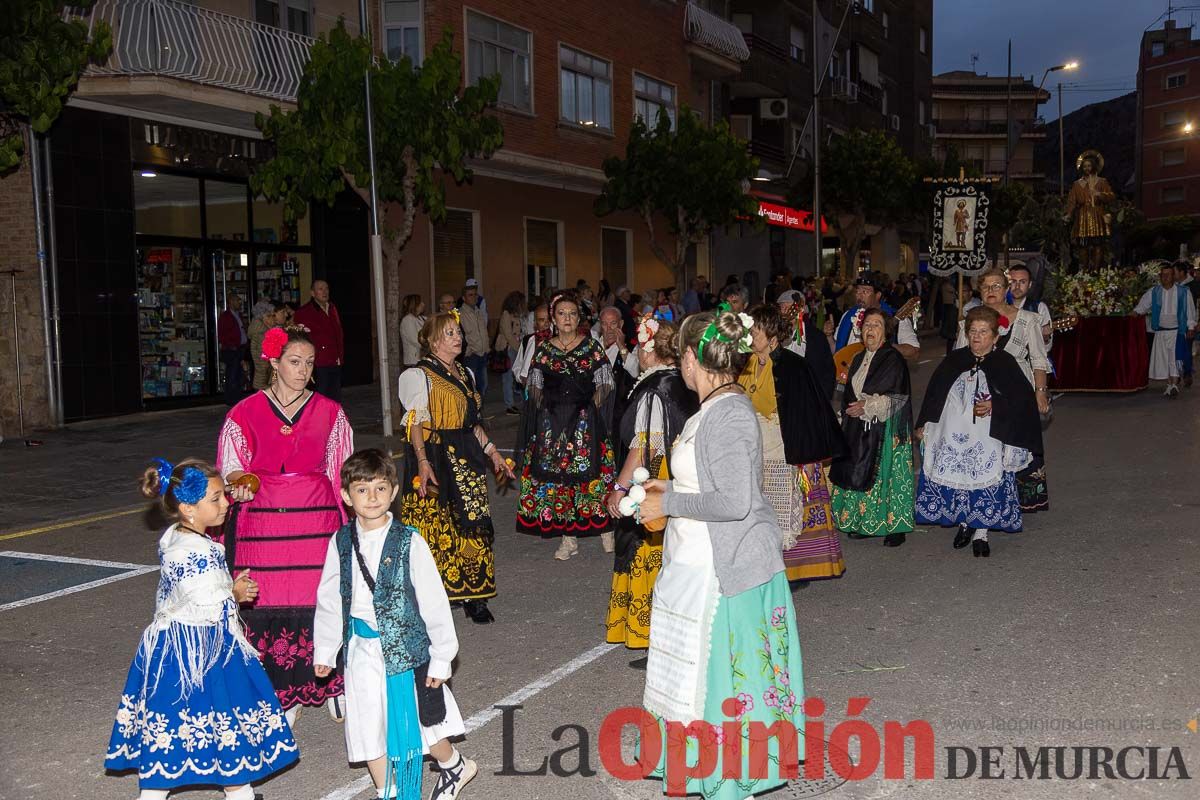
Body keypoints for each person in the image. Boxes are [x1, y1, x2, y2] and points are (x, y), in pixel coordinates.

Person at [635, 310, 805, 799]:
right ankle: (713, 774)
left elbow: (733, 502)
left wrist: (667, 501)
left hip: (726, 571)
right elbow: (708, 483)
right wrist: (666, 486)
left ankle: (732, 782)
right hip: (700, 562)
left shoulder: (728, 413)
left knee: (721, 688)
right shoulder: (715, 408)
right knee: (701, 684)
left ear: (691, 358)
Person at [106, 458, 298, 799]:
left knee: (179, 728)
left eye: (223, 495)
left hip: (175, 649)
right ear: (189, 509)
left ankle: (222, 791)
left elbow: (193, 591)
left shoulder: (175, 537)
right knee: (224, 725)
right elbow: (207, 604)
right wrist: (234, 594)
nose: (226, 502)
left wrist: (227, 588)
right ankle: (238, 790)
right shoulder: (195, 549)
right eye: (216, 498)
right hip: (199, 654)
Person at [313, 450, 476, 800]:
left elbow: (433, 601)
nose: (372, 498)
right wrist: (326, 649)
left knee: (423, 722)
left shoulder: (409, 541)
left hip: (406, 648)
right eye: (361, 489)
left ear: (394, 491)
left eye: (380, 488)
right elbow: (330, 598)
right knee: (367, 725)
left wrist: (442, 656)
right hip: (361, 648)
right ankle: (389, 793)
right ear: (345, 495)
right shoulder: (340, 541)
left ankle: (455, 766)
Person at [217, 326, 353, 724]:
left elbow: (341, 470)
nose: (303, 370)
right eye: (295, 361)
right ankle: (283, 688)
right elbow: (232, 466)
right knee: (268, 600)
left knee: (322, 597)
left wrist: (351, 523)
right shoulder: (242, 412)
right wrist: (238, 485)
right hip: (264, 524)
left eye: (309, 363)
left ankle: (334, 682)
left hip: (315, 519)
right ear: (273, 363)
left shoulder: (331, 412)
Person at [398, 312, 514, 625]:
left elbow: (472, 424)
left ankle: (474, 596)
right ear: (433, 341)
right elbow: (416, 423)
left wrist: (493, 453)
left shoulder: (465, 373)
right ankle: (441, 593)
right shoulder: (418, 376)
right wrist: (422, 461)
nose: (457, 337)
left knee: (472, 522)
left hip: (465, 456)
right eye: (450, 333)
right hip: (434, 455)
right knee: (436, 526)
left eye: (458, 332)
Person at [916, 306, 1043, 558]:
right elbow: (934, 395)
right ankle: (965, 522)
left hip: (988, 435)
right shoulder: (955, 359)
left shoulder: (1004, 363)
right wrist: (924, 424)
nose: (976, 337)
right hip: (953, 432)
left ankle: (981, 531)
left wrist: (996, 405)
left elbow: (1022, 400)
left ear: (995, 337)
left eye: (983, 332)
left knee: (984, 476)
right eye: (973, 331)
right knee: (960, 477)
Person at [602, 319, 697, 656]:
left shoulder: (654, 390)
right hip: (685, 475)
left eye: (641, 346)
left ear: (649, 349)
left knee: (647, 548)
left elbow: (643, 448)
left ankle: (656, 634)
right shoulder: (682, 382)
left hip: (656, 475)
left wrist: (619, 486)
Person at [741, 304, 848, 578]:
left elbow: (808, 415)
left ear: (773, 336)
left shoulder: (794, 366)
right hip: (753, 449)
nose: (751, 334)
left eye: (756, 330)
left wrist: (809, 460)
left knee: (783, 509)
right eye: (750, 329)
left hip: (783, 447)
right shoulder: (744, 364)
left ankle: (786, 571)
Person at [516, 292, 616, 559]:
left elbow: (606, 381)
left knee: (594, 478)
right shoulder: (545, 349)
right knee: (560, 483)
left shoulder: (591, 346)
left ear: (579, 317)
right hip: (554, 424)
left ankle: (606, 529)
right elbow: (534, 385)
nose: (567, 318)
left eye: (572, 313)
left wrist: (590, 408)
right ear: (553, 318)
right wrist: (546, 411)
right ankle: (568, 539)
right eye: (562, 314)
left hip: (585, 422)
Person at [955, 268, 1051, 512]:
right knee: (984, 445)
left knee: (1015, 443)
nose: (991, 291)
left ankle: (1020, 499)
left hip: (1017, 391)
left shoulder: (1028, 319)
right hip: (980, 391)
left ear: (1007, 290)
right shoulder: (968, 324)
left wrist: (1040, 391)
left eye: (997, 286)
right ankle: (986, 498)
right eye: (986, 286)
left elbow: (1039, 360)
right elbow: (957, 362)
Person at [830, 308, 915, 547]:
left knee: (886, 475)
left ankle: (895, 527)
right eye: (867, 325)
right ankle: (868, 523)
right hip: (860, 426)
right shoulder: (858, 358)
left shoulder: (892, 358)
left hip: (886, 428)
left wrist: (867, 405)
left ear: (885, 332)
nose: (870, 330)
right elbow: (849, 392)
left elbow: (898, 396)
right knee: (862, 471)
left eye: (876, 325)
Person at [1135, 262, 1198, 398]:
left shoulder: (1183, 292)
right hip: (1160, 332)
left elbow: (1190, 310)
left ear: (1174, 276)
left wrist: (1191, 326)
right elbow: (1142, 306)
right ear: (1159, 276)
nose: (1165, 278)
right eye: (1163, 275)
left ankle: (1174, 384)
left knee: (1174, 358)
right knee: (1164, 359)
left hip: (1177, 332)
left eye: (1168, 275)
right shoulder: (1154, 291)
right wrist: (1133, 313)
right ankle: (1170, 385)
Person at [826, 275, 921, 360]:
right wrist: (829, 336)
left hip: (880, 377)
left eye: (865, 291)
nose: (859, 295)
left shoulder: (897, 318)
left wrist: (884, 345)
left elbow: (914, 352)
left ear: (877, 295)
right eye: (857, 290)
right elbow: (837, 351)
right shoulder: (848, 316)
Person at [776, 290, 836, 398]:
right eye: (782, 307)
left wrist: (822, 401)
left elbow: (827, 373)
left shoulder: (816, 337)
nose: (784, 312)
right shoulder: (775, 337)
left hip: (809, 397)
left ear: (800, 310)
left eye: (788, 307)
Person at [294, 279, 345, 402]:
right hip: (319, 363)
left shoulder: (332, 308)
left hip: (335, 360)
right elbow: (301, 339)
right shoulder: (304, 312)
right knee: (320, 398)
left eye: (326, 288)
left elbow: (338, 333)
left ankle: (333, 420)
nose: (324, 292)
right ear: (313, 293)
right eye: (320, 289)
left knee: (335, 398)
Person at [596, 305, 639, 437]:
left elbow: (636, 371)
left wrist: (621, 346)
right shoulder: (592, 346)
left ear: (621, 324)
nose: (608, 329)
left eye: (613, 324)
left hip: (618, 419)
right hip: (594, 415)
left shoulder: (632, 347)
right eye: (604, 324)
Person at [1007, 264, 1053, 350]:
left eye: (1022, 282)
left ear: (1030, 284)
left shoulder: (1039, 307)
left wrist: (1045, 337)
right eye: (1013, 281)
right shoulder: (1000, 306)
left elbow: (1047, 348)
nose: (1017, 286)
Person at [457, 283, 490, 399]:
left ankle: (478, 411)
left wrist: (487, 348)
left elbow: (483, 332)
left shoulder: (478, 311)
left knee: (483, 385)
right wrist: (468, 350)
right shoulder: (460, 313)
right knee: (471, 386)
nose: (474, 297)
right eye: (470, 295)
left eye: (475, 295)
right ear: (464, 298)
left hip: (482, 353)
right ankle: (473, 412)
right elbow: (461, 334)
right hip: (471, 355)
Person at [496, 291, 526, 415]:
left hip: (515, 348)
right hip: (508, 349)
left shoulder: (516, 315)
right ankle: (509, 405)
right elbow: (508, 335)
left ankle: (514, 402)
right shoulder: (506, 315)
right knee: (507, 378)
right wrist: (519, 348)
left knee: (515, 376)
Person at [218, 293, 249, 406]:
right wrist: (232, 345)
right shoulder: (226, 316)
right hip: (232, 350)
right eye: (237, 301)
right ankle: (231, 399)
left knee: (239, 375)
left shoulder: (238, 315)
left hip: (240, 348)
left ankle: (236, 397)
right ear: (231, 302)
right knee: (232, 374)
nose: (240, 303)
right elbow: (222, 334)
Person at [249, 300, 285, 391]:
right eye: (270, 316)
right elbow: (263, 353)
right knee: (262, 389)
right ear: (264, 317)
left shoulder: (264, 330)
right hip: (264, 369)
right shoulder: (261, 333)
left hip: (265, 368)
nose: (273, 319)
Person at [514, 302, 551, 388]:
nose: (546, 323)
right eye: (542, 320)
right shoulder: (528, 340)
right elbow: (518, 364)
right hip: (530, 389)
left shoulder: (556, 339)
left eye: (548, 319)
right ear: (535, 323)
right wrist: (522, 378)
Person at [400, 294, 427, 368]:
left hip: (422, 359)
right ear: (414, 305)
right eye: (420, 302)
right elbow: (415, 340)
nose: (423, 304)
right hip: (414, 361)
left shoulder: (422, 318)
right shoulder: (407, 320)